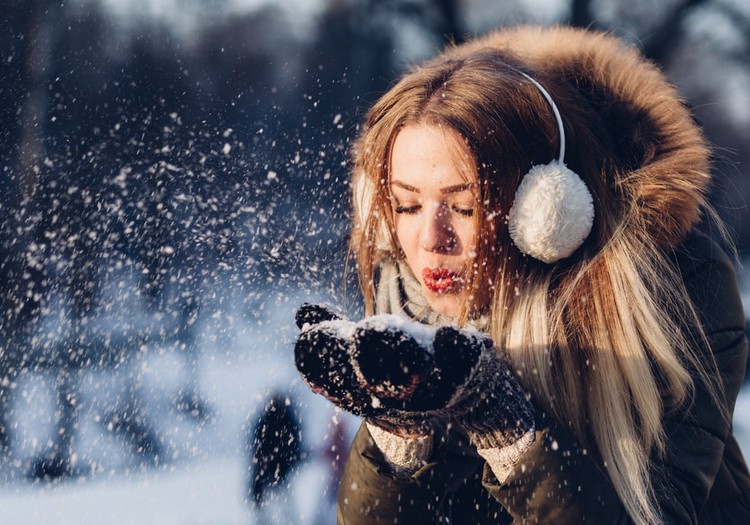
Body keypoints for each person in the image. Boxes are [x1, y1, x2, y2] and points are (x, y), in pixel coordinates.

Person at [293, 25, 750, 524]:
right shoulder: (404, 298)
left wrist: (508, 430)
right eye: (405, 205)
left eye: (463, 208)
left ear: (545, 212)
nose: (429, 239)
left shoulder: (676, 288)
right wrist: (397, 434)